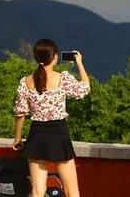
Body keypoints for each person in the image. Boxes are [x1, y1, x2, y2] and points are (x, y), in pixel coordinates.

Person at [12, 39, 90, 197]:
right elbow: (84, 89)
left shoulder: (25, 82)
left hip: (37, 135)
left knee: (37, 190)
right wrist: (79, 63)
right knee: (71, 191)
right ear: (54, 57)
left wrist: (17, 138)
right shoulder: (63, 79)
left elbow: (20, 114)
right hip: (59, 134)